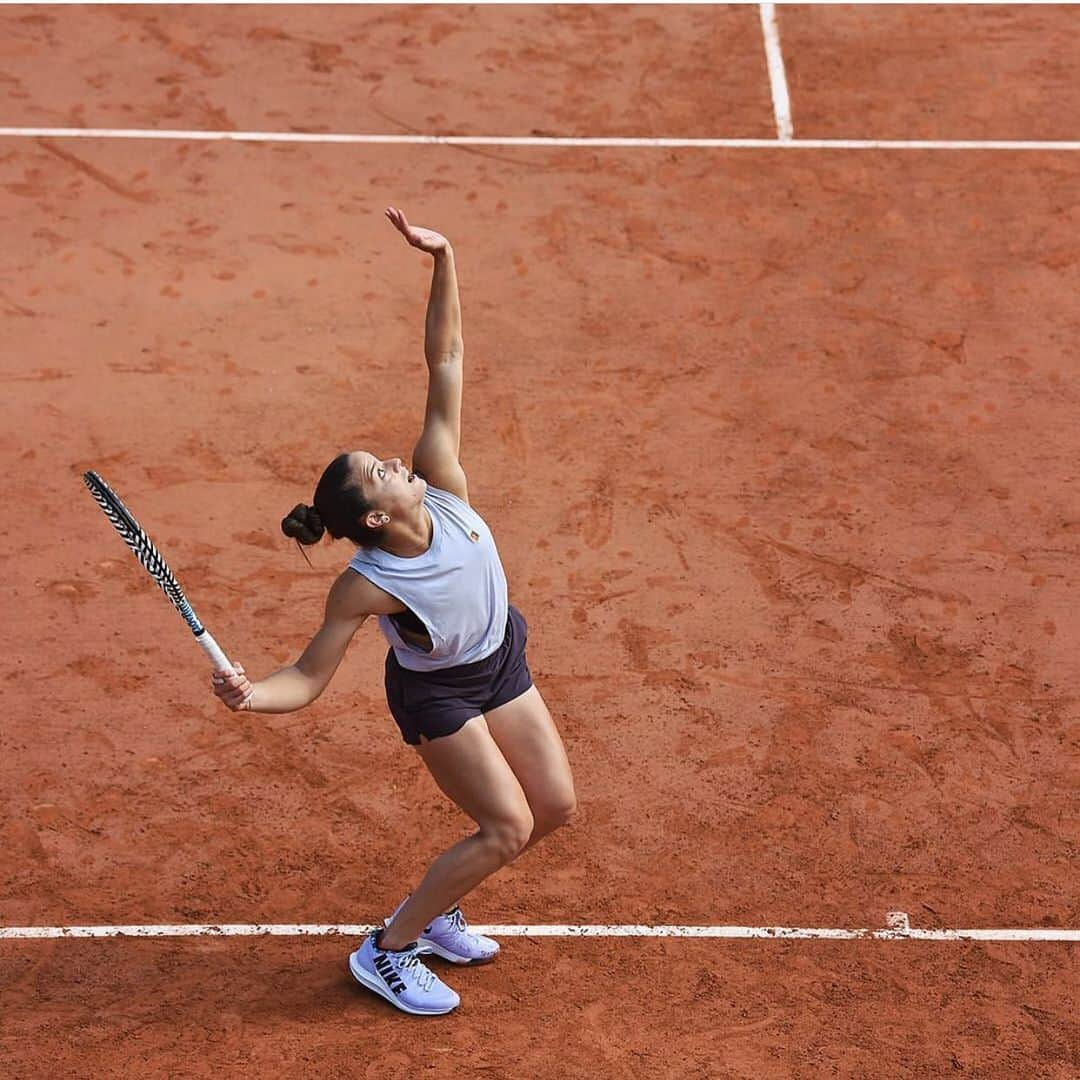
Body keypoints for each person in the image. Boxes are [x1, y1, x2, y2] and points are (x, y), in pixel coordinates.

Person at [212, 207, 576, 1017]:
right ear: (374, 518)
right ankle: (388, 949)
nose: (392, 461)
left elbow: (445, 358)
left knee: (553, 808)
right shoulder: (368, 582)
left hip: (498, 659)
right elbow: (307, 676)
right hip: (438, 694)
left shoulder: (440, 481)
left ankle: (440, 908)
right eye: (379, 471)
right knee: (506, 826)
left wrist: (443, 258)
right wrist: (250, 694)